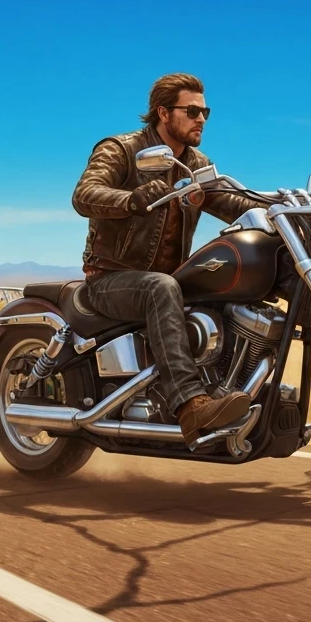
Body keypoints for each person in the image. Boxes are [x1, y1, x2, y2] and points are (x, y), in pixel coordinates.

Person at [71, 73, 265, 444]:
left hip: (167, 280)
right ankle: (191, 405)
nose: (202, 118)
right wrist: (131, 199)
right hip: (111, 279)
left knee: (225, 283)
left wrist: (285, 210)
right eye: (191, 111)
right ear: (163, 112)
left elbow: (230, 201)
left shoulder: (195, 162)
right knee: (162, 286)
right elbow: (85, 193)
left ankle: (238, 388)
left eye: (205, 111)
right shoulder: (121, 148)